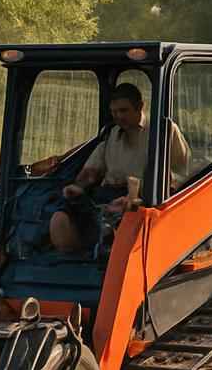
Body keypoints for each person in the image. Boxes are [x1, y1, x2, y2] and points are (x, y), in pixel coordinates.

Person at [48, 82, 190, 253]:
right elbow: (92, 171)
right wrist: (78, 186)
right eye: (114, 112)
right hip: (105, 197)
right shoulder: (112, 134)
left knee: (119, 221)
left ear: (140, 107)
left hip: (143, 200)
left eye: (123, 111)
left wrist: (135, 196)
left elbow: (179, 176)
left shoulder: (164, 132)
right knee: (60, 217)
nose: (118, 116)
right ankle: (73, 263)